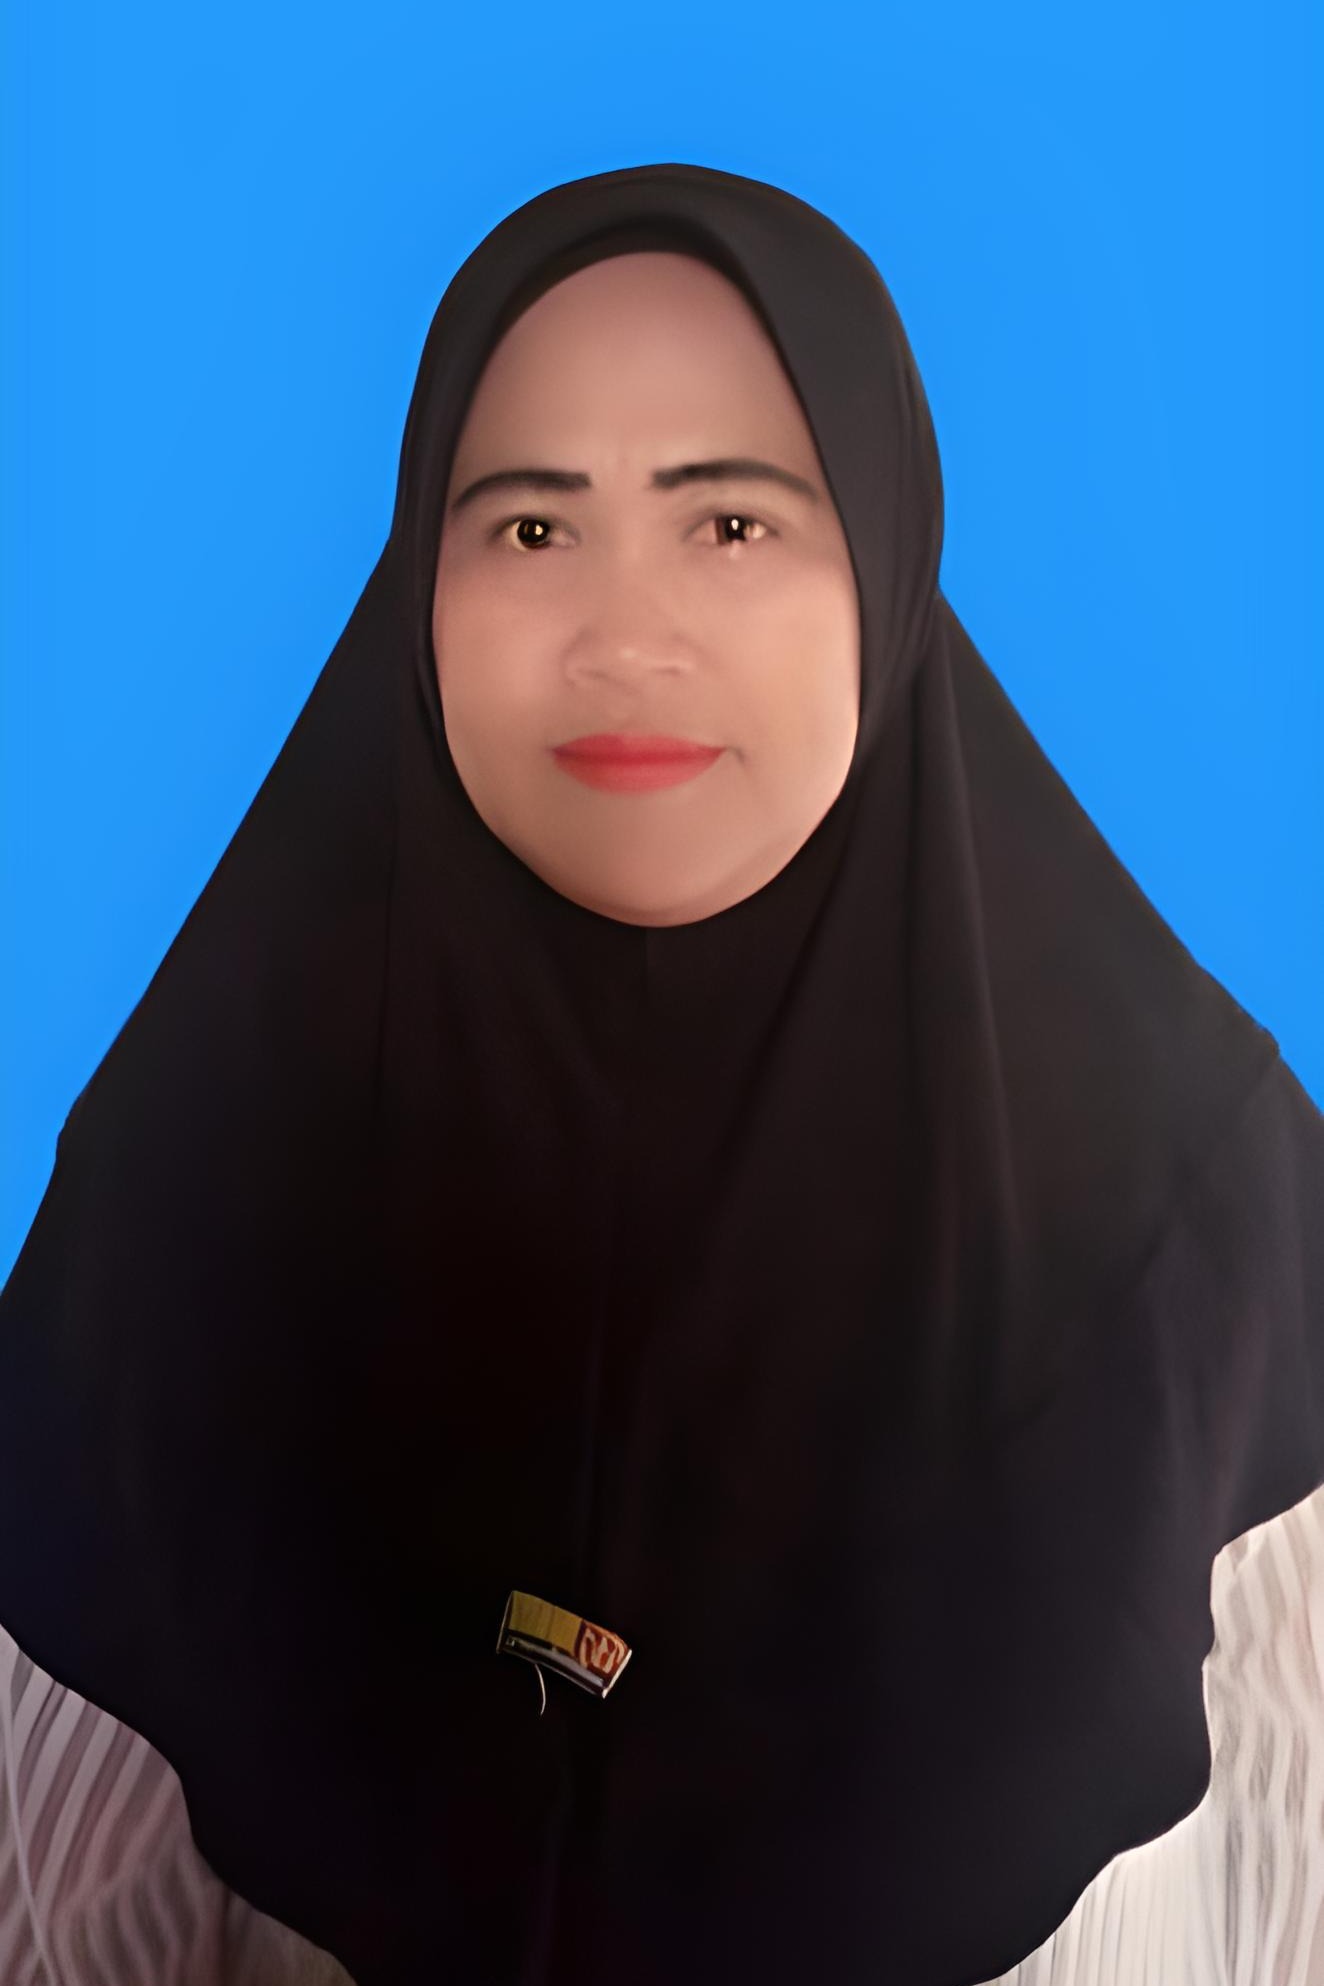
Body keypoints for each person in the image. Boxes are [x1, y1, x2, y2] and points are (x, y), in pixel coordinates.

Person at [1, 162, 1321, 1986]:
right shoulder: (181, 1192)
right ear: (418, 583)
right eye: (533, 527)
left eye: (732, 523)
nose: (626, 636)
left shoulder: (1203, 1222)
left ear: (885, 563)